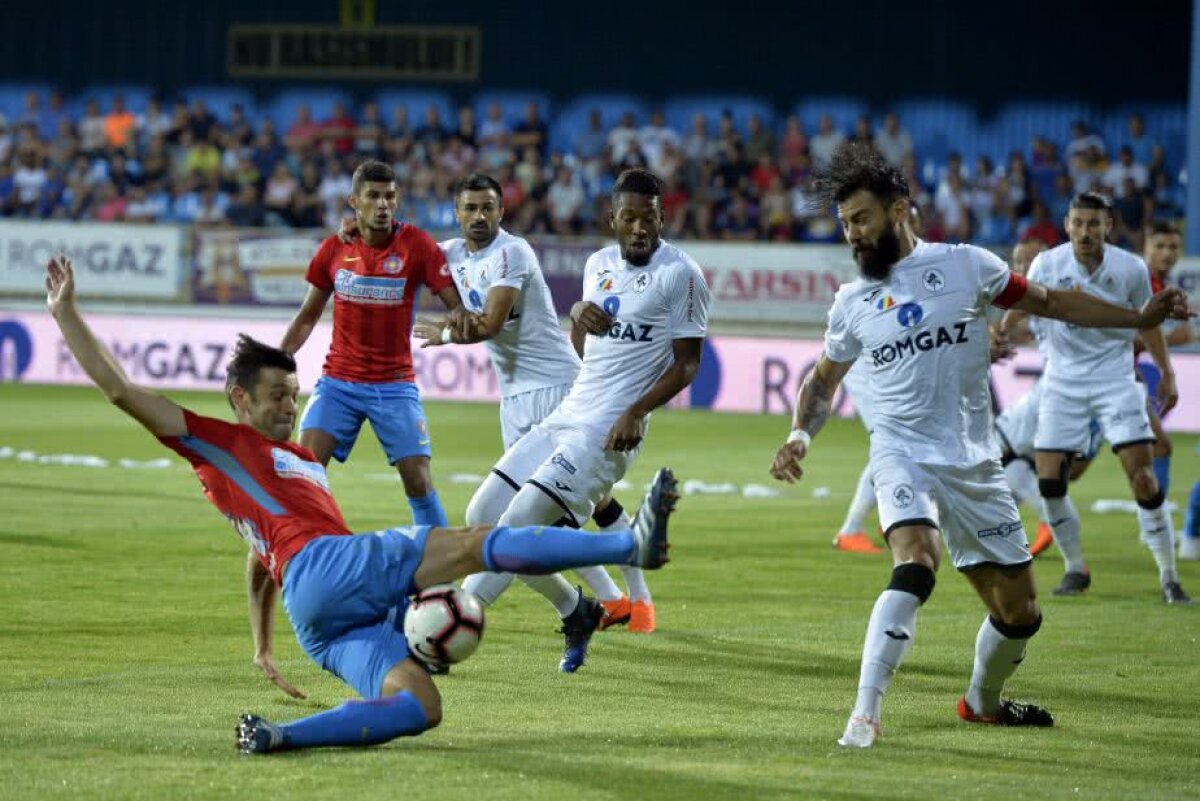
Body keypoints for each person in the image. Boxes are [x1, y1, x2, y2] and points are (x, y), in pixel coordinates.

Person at [43, 253, 677, 755]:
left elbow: (263, 558)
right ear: (238, 399)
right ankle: (628, 545)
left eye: (294, 395)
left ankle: (281, 735)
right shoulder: (221, 442)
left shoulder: (295, 462)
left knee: (419, 707)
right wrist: (66, 312)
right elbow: (122, 390)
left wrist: (263, 644)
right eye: (275, 398)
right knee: (476, 541)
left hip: (315, 617)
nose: (289, 407)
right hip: (329, 569)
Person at [768, 143, 1191, 748]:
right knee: (915, 561)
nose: (852, 235)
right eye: (844, 225)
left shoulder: (967, 265)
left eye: (861, 219)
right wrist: (799, 435)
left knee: (1021, 613)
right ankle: (864, 715)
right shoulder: (851, 302)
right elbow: (821, 381)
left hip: (973, 459)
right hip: (901, 452)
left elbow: (1050, 303)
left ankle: (982, 702)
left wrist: (1135, 318)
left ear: (898, 210)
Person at [461, 168, 710, 670]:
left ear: (664, 217)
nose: (640, 228)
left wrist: (636, 411)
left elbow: (687, 363)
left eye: (650, 218)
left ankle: (450, 622)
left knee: (517, 525)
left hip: (607, 430)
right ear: (612, 218)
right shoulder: (597, 264)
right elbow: (587, 351)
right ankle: (577, 609)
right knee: (480, 517)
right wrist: (578, 318)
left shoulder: (681, 274)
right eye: (629, 218)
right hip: (566, 414)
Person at [409, 173, 656, 635]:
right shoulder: (450, 255)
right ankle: (610, 601)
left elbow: (490, 322)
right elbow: (403, 251)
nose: (479, 216)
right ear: (456, 213)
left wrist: (443, 332)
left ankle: (630, 598)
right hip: (515, 400)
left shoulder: (513, 252)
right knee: (538, 519)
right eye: (470, 208)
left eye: (488, 208)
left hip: (558, 389)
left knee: (543, 516)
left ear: (501, 212)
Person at [1014, 194, 1190, 603]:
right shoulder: (1047, 264)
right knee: (1050, 482)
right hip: (1061, 382)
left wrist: (1167, 373)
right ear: (1067, 224)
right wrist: (1003, 330)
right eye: (1078, 223)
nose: (1085, 232)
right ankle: (1076, 568)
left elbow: (1149, 326)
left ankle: (1169, 575)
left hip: (1115, 381)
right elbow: (1026, 303)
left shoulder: (1130, 268)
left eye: (1094, 224)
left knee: (1143, 478)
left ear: (1108, 225)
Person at [280, 161, 461, 530]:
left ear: (398, 200)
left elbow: (456, 306)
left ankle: (442, 580)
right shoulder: (332, 249)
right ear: (354, 201)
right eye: (373, 196)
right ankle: (300, 561)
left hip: (394, 385)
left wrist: (453, 322)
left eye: (390, 196)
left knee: (419, 481)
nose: (382, 204)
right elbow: (307, 316)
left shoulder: (418, 246)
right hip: (338, 383)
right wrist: (279, 361)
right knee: (303, 474)